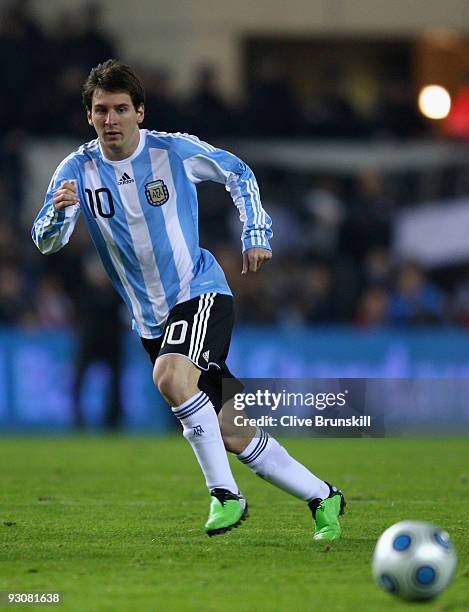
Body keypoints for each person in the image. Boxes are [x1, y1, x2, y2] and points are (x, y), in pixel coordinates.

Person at [32, 59, 345, 540]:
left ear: (140, 111)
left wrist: (256, 230)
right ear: (89, 116)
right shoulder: (77, 169)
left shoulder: (172, 152)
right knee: (232, 429)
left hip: (199, 292)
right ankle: (323, 496)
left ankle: (225, 495)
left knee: (170, 376)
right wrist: (56, 215)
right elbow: (45, 240)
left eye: (120, 109)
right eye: (101, 111)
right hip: (149, 319)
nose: (110, 119)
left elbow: (237, 172)